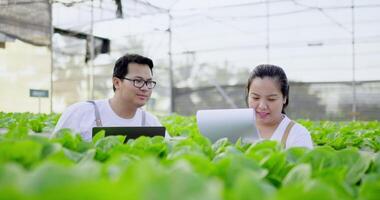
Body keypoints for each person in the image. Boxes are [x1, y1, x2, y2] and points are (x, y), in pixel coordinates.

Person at [53, 53, 167, 141]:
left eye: (149, 82)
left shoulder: (151, 122)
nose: (145, 88)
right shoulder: (81, 113)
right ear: (117, 82)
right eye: (138, 81)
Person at [245, 64, 313, 149]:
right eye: (255, 98)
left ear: (284, 98)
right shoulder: (236, 127)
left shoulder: (298, 134)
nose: (262, 106)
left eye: (271, 99)